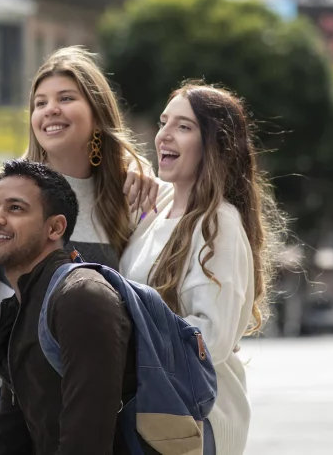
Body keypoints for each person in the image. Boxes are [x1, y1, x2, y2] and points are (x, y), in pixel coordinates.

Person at [0, 47, 168, 454]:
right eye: (40, 102)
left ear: (97, 111)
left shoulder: (126, 197)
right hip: (0, 395)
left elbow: (139, 294)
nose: (51, 110)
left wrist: (143, 171)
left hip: (92, 400)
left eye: (66, 98)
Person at [120, 82, 286, 455]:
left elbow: (209, 339)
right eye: (164, 122)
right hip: (152, 410)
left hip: (195, 420)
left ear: (214, 145)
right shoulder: (157, 211)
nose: (164, 134)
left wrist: (125, 334)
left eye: (183, 126)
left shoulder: (218, 224)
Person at [0, 159, 139, 455]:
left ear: (55, 227)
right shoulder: (21, 306)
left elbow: (87, 441)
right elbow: (9, 437)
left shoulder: (82, 298)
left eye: (15, 208)